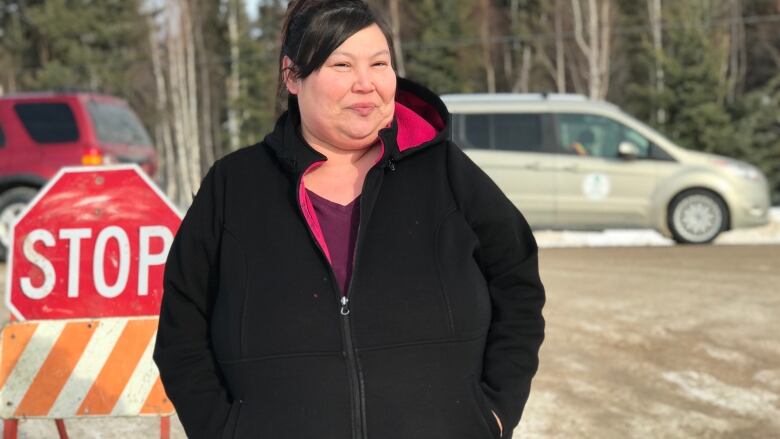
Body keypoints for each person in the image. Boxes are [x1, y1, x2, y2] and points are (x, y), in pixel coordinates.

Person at [153, 1, 545, 438]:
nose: (366, 84)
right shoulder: (234, 186)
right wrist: (222, 429)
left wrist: (491, 413)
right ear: (293, 76)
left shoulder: (446, 173)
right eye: (342, 64)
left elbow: (518, 283)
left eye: (379, 63)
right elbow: (181, 328)